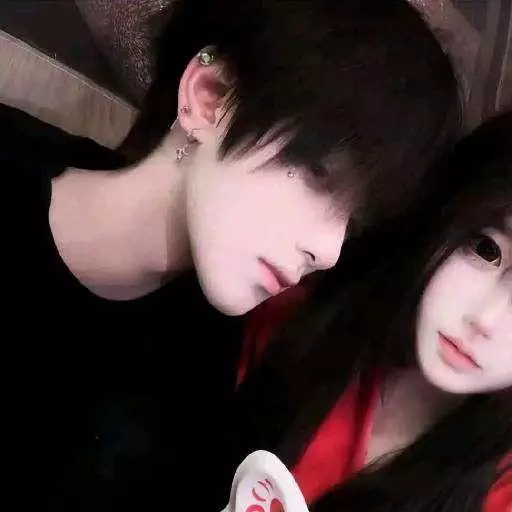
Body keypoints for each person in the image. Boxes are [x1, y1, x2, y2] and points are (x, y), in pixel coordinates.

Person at [1, 0, 461, 509]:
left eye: (354, 226)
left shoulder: (199, 383)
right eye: (319, 174)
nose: (329, 251)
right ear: (210, 98)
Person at [232, 112, 512, 512]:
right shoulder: (292, 315)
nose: (485, 320)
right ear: (447, 215)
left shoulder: (500, 493)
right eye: (487, 250)